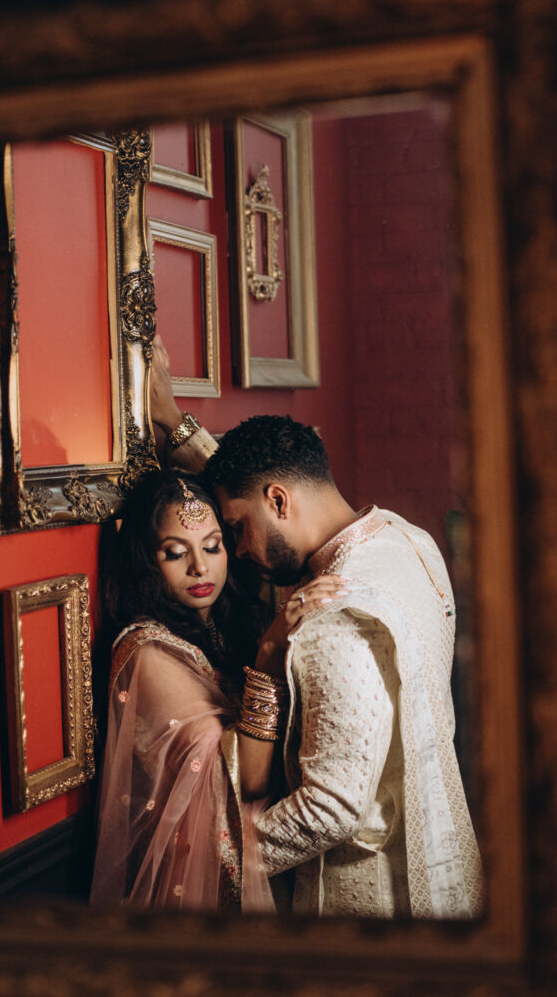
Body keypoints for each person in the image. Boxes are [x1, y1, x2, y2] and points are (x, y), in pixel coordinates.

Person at [149, 354, 482, 920]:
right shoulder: (409, 541)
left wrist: (210, 857)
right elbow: (262, 485)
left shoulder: (331, 619)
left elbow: (330, 808)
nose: (239, 551)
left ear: (279, 500)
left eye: (236, 529)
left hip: (371, 901)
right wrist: (177, 426)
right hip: (450, 864)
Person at [90, 468, 339, 912]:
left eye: (212, 546)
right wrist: (268, 656)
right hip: (201, 874)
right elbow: (248, 780)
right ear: (146, 562)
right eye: (174, 553)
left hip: (276, 853)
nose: (200, 567)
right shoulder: (147, 650)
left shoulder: (233, 621)